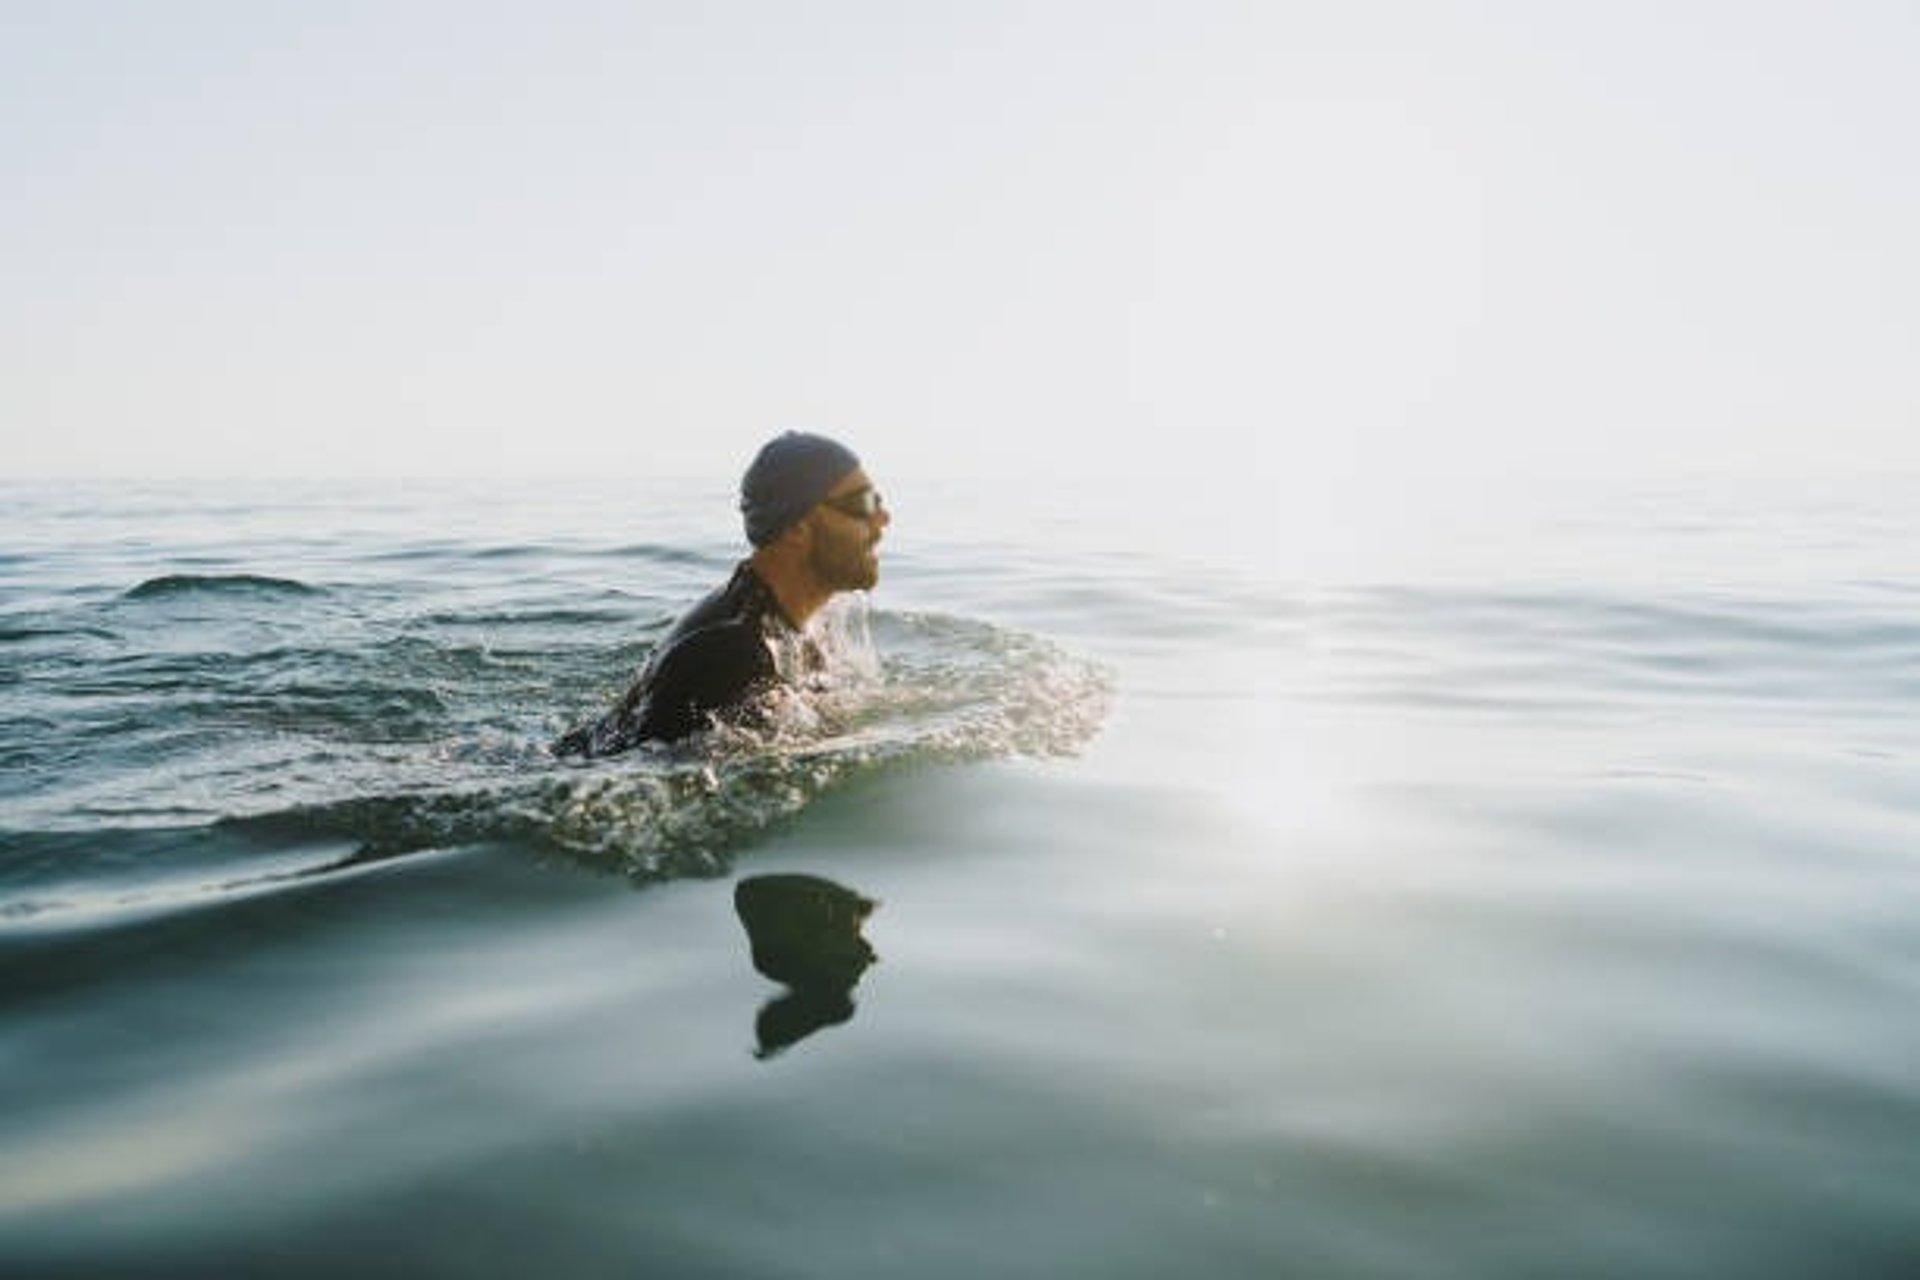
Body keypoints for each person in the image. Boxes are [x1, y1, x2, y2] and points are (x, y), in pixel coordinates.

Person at [552, 431, 889, 756]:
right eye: (862, 504)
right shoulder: (729, 656)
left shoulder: (804, 627)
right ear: (797, 525)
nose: (883, 519)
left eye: (878, 501)